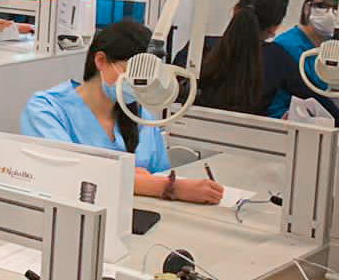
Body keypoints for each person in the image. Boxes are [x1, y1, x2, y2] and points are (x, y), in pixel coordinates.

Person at [21, 20, 222, 203]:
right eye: (136, 72)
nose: (140, 85)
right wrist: (166, 187)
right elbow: (70, 174)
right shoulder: (46, 109)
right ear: (101, 61)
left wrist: (141, 182)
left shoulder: (141, 117)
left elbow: (159, 173)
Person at [178, 0, 339, 123]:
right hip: (251, 143)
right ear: (274, 28)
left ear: (235, 10)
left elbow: (171, 92)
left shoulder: (199, 47)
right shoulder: (278, 58)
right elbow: (329, 112)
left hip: (189, 135)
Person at [272, 0, 339, 101]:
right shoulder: (288, 46)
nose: (329, 14)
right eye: (321, 6)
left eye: (336, 7)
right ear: (307, 8)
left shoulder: (334, 48)